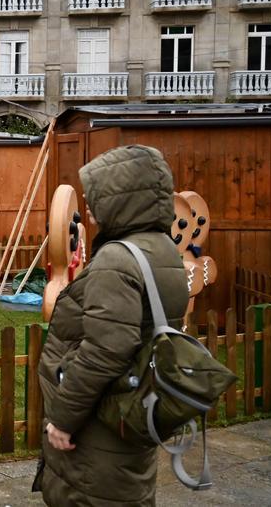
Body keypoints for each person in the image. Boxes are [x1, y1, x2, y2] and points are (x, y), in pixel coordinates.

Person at [36, 145, 189, 506]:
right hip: (133, 416)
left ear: (123, 200)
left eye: (98, 197)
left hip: (98, 430)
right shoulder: (163, 251)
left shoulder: (116, 260)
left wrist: (63, 419)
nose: (88, 206)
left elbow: (106, 350)